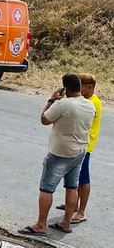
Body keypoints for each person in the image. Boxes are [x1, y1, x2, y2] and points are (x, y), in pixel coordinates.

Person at [19, 73, 95, 236]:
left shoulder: (63, 104)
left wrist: (51, 100)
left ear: (65, 88)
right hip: (79, 151)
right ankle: (66, 222)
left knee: (47, 188)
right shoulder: (90, 105)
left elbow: (44, 119)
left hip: (60, 152)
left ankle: (41, 224)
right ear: (80, 86)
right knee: (72, 186)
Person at [57, 72, 103, 224]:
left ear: (89, 87)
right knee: (74, 177)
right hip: (79, 143)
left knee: (83, 179)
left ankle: (81, 211)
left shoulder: (93, 102)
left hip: (85, 145)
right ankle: (74, 205)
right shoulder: (86, 100)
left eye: (81, 87)